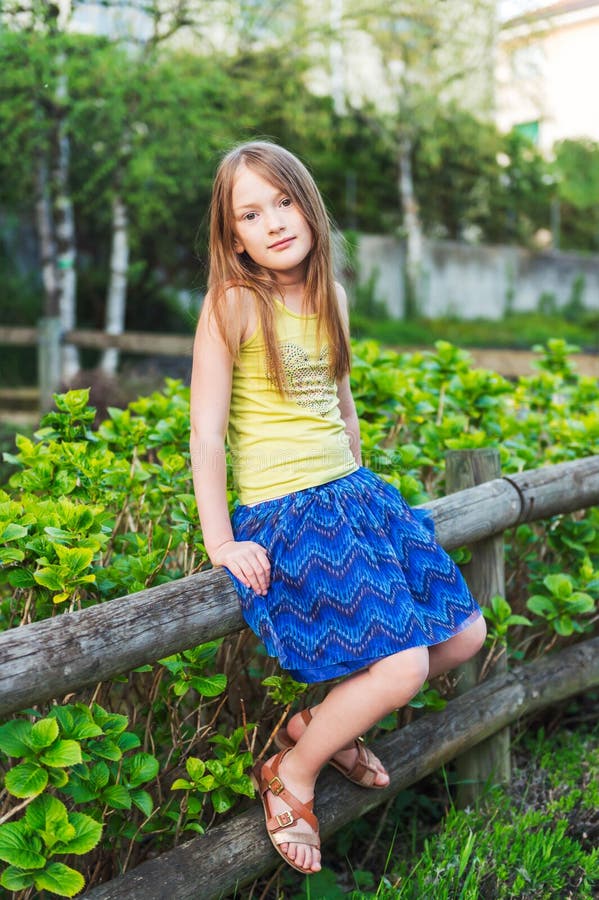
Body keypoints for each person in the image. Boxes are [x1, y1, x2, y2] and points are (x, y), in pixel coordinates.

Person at [189, 140, 486, 875]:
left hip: (351, 500)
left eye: (284, 202)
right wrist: (221, 542)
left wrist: (362, 499)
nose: (274, 222)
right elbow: (204, 432)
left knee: (465, 635)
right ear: (234, 238)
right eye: (250, 214)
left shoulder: (331, 296)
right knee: (400, 668)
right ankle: (290, 774)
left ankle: (312, 727)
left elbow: (343, 408)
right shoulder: (233, 303)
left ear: (309, 206)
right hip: (286, 514)